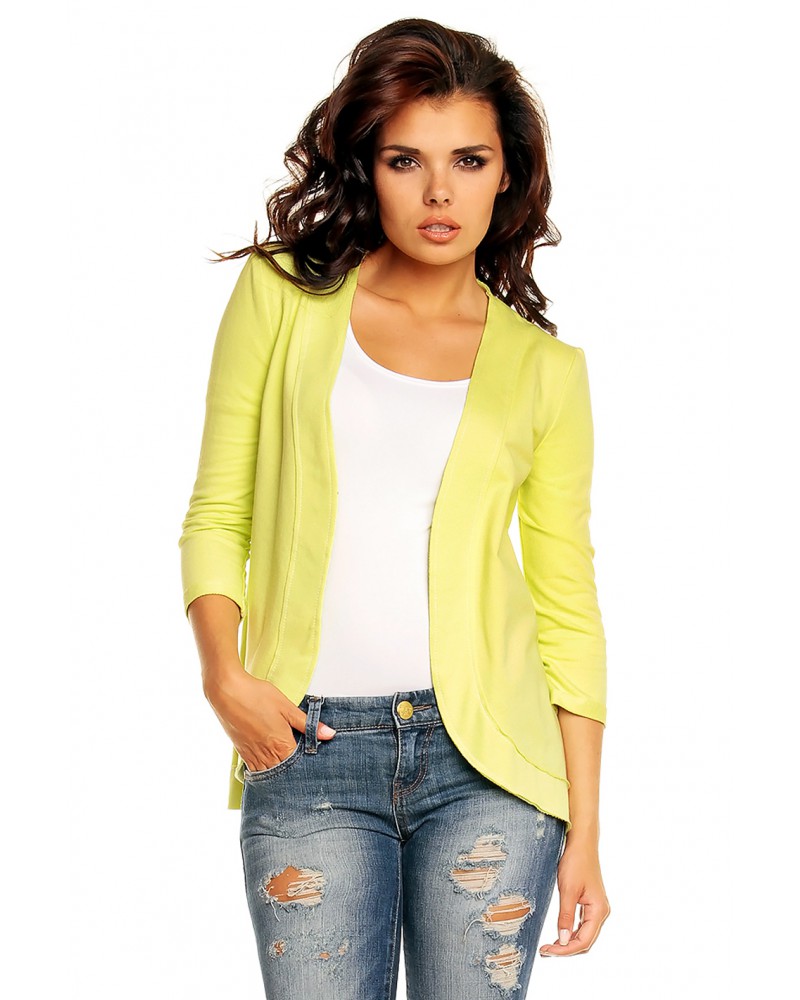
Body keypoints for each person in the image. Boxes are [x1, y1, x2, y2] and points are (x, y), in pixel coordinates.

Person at [178, 16, 610, 999]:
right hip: (309, 750)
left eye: (469, 160)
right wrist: (223, 677)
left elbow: (567, 608)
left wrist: (585, 827)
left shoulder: (545, 371)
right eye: (405, 159)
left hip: (490, 769)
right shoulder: (283, 297)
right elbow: (217, 513)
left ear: (506, 174)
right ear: (368, 168)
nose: (438, 191)